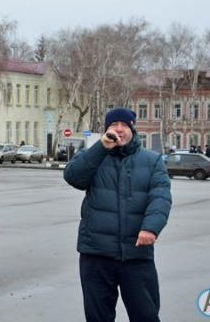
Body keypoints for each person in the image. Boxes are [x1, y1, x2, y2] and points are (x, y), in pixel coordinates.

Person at [63, 107, 172, 322]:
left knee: (146, 316)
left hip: (137, 256)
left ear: (132, 129)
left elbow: (161, 197)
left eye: (124, 125)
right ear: (106, 129)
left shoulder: (152, 161)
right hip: (96, 255)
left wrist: (151, 227)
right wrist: (101, 147)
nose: (119, 130)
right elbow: (74, 177)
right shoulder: (92, 155)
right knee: (98, 317)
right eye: (114, 125)